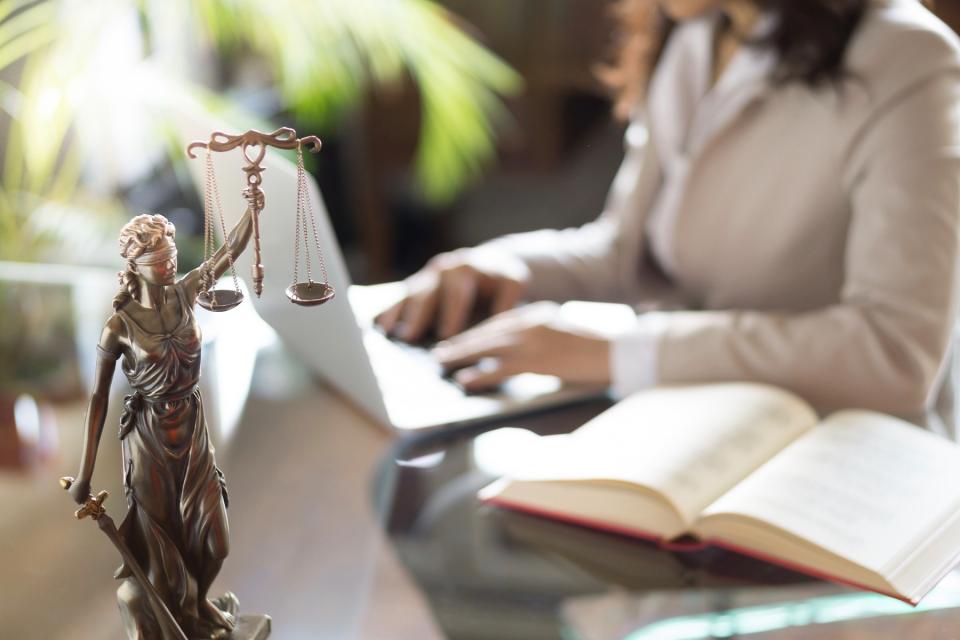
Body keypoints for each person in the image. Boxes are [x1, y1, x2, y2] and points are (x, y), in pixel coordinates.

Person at [377, 0, 960, 428]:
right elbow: (629, 250)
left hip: (838, 451)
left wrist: (618, 353)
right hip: (687, 426)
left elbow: (898, 351)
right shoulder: (695, 35)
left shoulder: (906, 57)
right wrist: (504, 264)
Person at [68, 207, 253, 638]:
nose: (171, 266)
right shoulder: (118, 327)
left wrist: (253, 201)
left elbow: (231, 250)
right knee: (164, 551)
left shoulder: (186, 292)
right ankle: (183, 618)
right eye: (159, 262)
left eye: (171, 256)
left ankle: (200, 601)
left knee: (215, 541)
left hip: (192, 430)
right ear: (134, 267)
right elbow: (97, 399)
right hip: (149, 440)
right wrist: (84, 473)